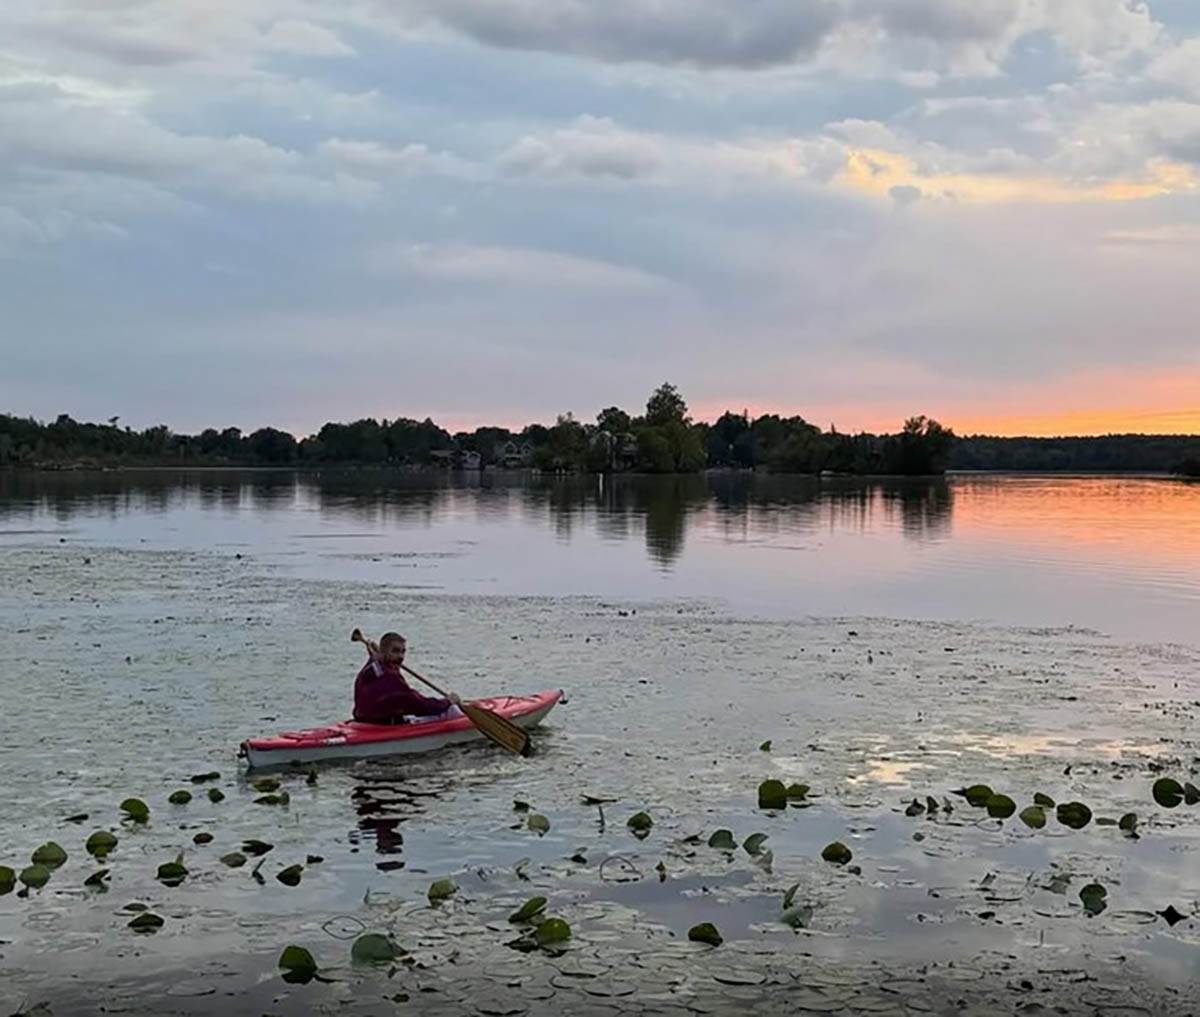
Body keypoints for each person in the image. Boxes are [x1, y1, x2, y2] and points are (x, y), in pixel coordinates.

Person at [354, 632, 462, 725]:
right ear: (383, 652)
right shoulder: (391, 678)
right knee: (451, 710)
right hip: (386, 725)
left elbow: (375, 657)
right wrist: (447, 702)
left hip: (364, 720)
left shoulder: (373, 665)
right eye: (395, 651)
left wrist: (375, 651)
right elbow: (420, 705)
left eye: (403, 652)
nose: (400, 656)